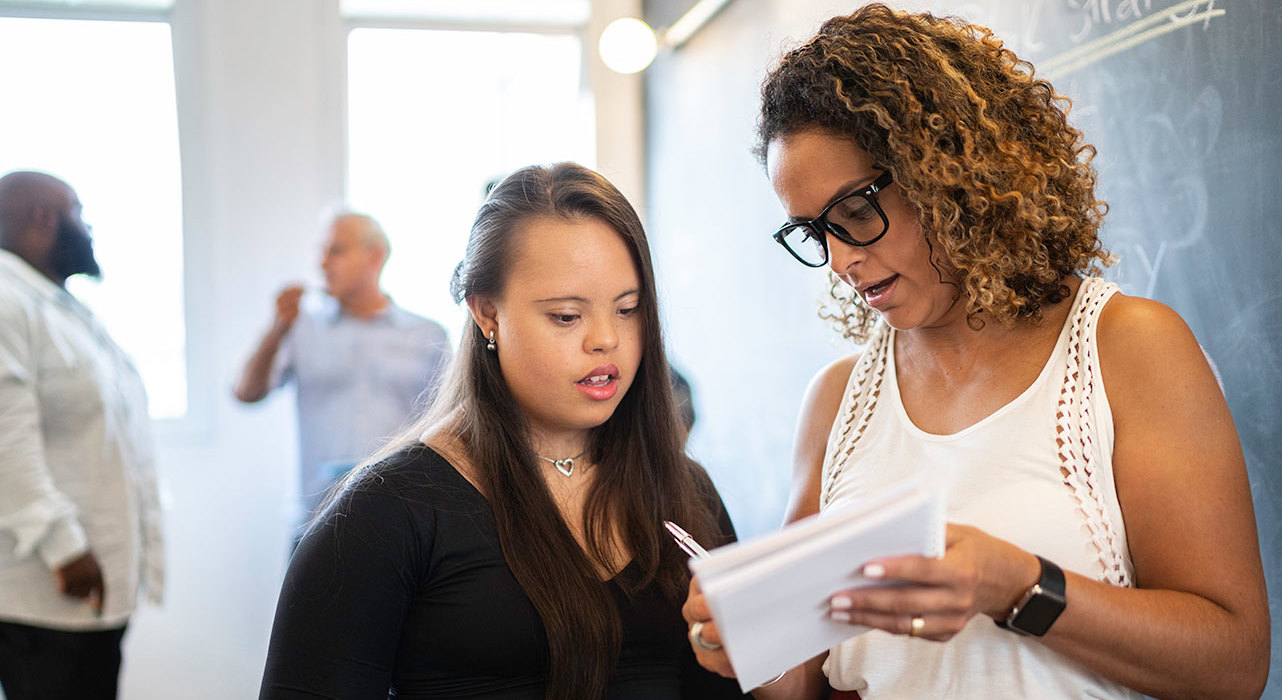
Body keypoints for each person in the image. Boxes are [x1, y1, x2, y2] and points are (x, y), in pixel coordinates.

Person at [683, 5, 1270, 699]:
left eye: (855, 214)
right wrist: (740, 639)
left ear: (948, 174)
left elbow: (1232, 664)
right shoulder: (839, 400)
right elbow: (803, 679)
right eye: (814, 234)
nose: (840, 259)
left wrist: (1020, 587)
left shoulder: (1127, 350)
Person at [259, 163, 746, 699]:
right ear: (487, 313)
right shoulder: (385, 514)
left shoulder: (685, 492)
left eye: (628, 310)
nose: (606, 339)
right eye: (566, 316)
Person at [0, 171, 164, 699]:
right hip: (46, 594)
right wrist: (65, 548)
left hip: (89, 590)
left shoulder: (58, 306)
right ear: (45, 218)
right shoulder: (6, 301)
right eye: (80, 214)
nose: (87, 229)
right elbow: (6, 441)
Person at [233, 212, 449, 532]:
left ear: (375, 256)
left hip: (403, 521)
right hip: (316, 520)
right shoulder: (301, 328)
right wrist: (275, 331)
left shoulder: (428, 336)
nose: (322, 264)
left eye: (336, 251)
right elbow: (245, 392)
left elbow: (449, 426)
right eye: (321, 251)